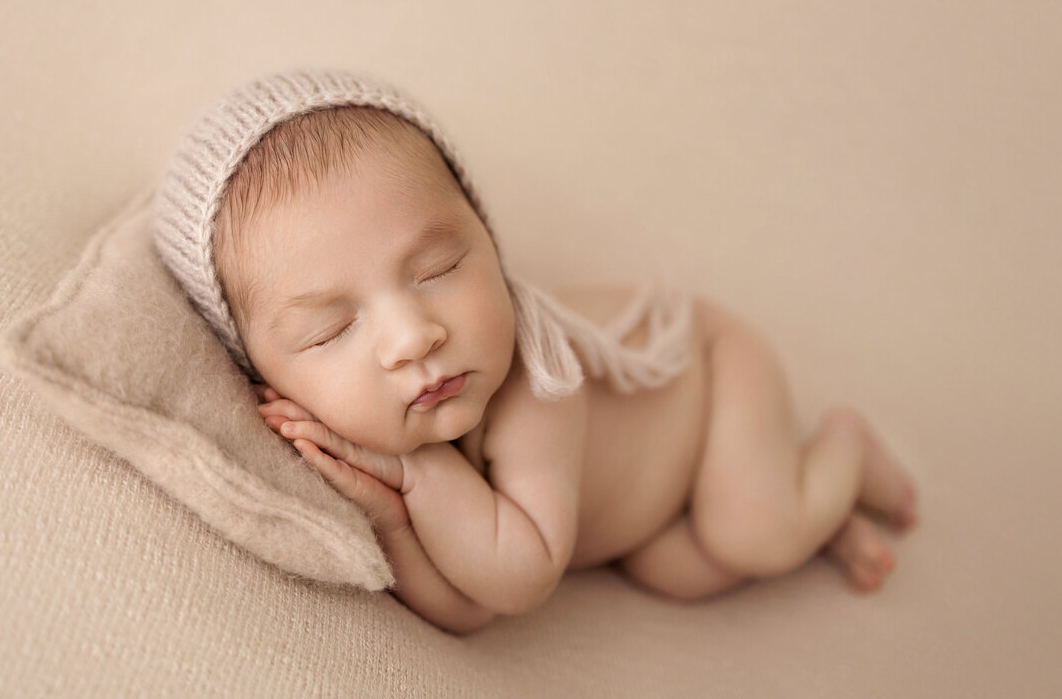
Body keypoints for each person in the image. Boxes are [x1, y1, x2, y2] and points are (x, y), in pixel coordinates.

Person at [154, 70, 918, 635]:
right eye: (329, 331)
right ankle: (817, 508)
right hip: (638, 510)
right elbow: (470, 610)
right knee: (676, 572)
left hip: (708, 369)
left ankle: (841, 448)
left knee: (751, 532)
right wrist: (390, 518)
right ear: (262, 370)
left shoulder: (536, 384)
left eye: (439, 270)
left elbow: (518, 578)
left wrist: (415, 472)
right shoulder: (399, 411)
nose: (413, 335)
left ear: (488, 240)